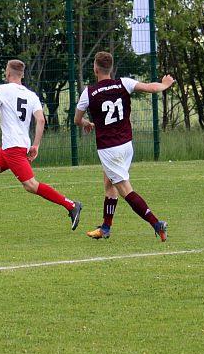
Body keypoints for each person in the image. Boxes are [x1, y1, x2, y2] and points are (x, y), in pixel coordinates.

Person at [0, 59, 82, 231]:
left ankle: (71, 205)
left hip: (13, 149)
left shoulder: (3, 89)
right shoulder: (31, 95)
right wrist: (36, 145)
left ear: (8, 73)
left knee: (31, 185)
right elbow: (41, 120)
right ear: (22, 75)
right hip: (11, 148)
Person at [74, 51, 174, 241]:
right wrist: (165, 84)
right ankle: (105, 227)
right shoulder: (124, 83)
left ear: (95, 68)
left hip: (109, 149)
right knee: (109, 183)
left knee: (126, 190)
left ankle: (156, 223)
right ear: (110, 68)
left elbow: (77, 120)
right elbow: (150, 88)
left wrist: (87, 123)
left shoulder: (88, 92)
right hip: (127, 145)